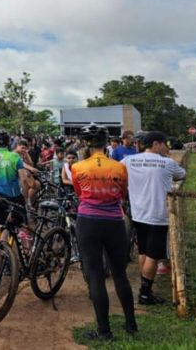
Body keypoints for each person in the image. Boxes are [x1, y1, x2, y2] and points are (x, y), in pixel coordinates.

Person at [71, 124, 137, 341]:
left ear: (85, 144)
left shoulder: (78, 167)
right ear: (106, 143)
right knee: (120, 273)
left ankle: (104, 331)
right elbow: (123, 193)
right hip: (114, 221)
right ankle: (131, 324)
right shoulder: (119, 167)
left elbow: (79, 192)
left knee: (95, 274)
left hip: (88, 221)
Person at [122, 131, 186, 305]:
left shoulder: (129, 160)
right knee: (153, 255)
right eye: (165, 144)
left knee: (143, 251)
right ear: (156, 144)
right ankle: (145, 293)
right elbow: (182, 175)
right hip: (158, 215)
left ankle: (145, 288)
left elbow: (118, 173)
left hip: (138, 214)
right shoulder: (167, 162)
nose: (166, 148)